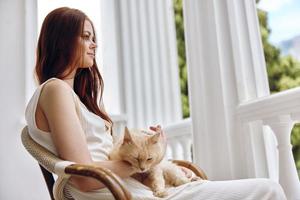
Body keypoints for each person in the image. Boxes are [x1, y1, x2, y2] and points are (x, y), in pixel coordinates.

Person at [25, 7, 287, 200]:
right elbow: (83, 178)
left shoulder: (72, 96)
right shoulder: (55, 90)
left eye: (94, 38)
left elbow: (101, 159)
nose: (94, 45)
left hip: (129, 186)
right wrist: (145, 164)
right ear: (62, 40)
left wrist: (154, 156)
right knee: (269, 190)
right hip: (115, 192)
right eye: (85, 37)